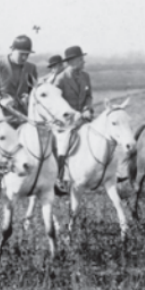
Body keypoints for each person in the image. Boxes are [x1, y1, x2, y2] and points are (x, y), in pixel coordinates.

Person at [52, 45, 94, 192]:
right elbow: (55, 102)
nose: (83, 62)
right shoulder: (60, 79)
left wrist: (87, 109)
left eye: (83, 59)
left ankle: (100, 174)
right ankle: (60, 178)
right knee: (64, 147)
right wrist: (72, 114)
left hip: (84, 119)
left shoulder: (86, 76)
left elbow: (89, 96)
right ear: (71, 61)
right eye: (81, 59)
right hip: (65, 122)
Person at [0, 35, 39, 115]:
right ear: (12, 50)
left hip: (24, 117)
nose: (24, 58)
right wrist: (0, 100)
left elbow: (34, 93)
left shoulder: (31, 68)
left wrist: (28, 98)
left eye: (27, 55)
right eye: (21, 54)